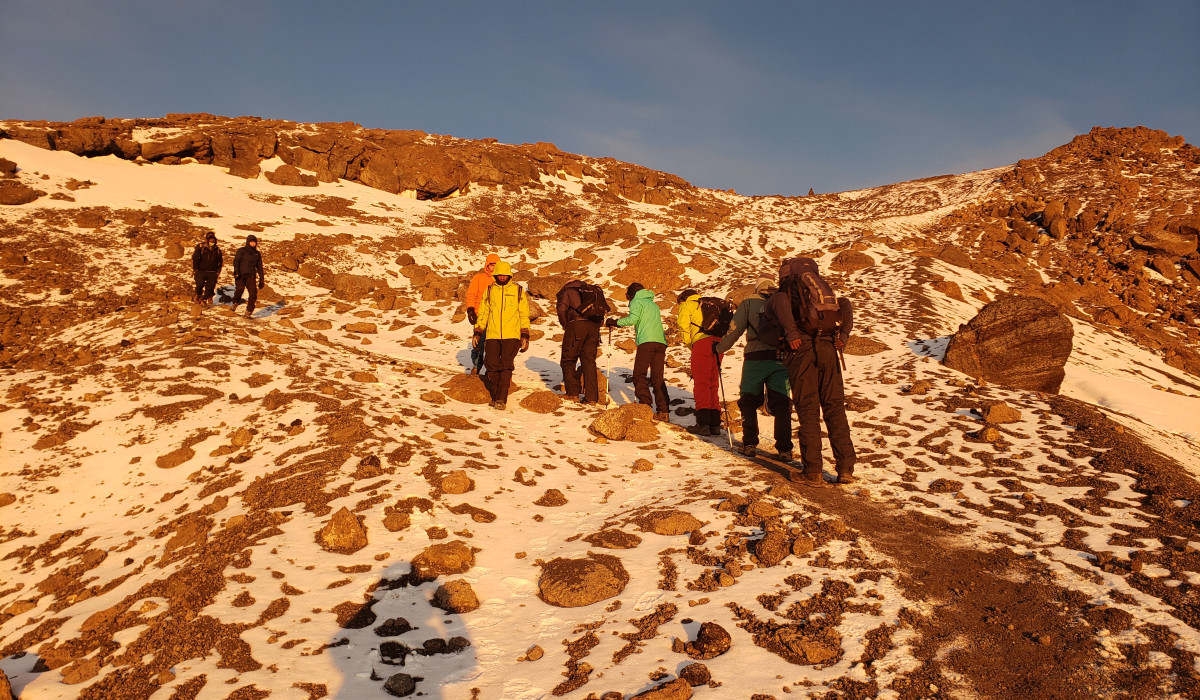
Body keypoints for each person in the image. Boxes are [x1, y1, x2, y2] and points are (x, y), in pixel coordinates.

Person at [764, 259, 856, 486]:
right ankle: (845, 469)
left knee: (808, 410)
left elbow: (777, 303)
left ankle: (813, 471)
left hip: (802, 352)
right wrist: (842, 337)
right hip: (829, 349)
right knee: (835, 408)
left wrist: (792, 333)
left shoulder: (784, 294)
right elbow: (845, 303)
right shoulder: (821, 291)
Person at [714, 279, 794, 462]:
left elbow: (735, 330)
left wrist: (719, 349)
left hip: (755, 359)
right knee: (781, 403)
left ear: (757, 288)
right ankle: (785, 449)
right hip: (779, 358)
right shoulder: (782, 302)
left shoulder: (749, 302)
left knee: (748, 401)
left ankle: (749, 444)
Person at [605, 283, 670, 421]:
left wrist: (615, 322)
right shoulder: (653, 304)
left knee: (639, 375)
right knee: (657, 378)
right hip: (660, 343)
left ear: (632, 293)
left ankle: (645, 405)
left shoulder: (637, 301)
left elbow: (633, 319)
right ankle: (663, 411)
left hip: (646, 342)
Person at [473, 261, 530, 410]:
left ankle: (500, 398)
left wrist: (525, 334)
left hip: (512, 335)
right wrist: (478, 331)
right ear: (496, 274)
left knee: (505, 365)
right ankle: (497, 393)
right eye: (500, 274)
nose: (503, 277)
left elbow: (524, 313)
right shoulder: (490, 290)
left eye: (505, 274)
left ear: (509, 274)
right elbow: (484, 312)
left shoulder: (518, 290)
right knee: (490, 365)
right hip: (492, 334)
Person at [676, 289, 722, 436]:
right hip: (719, 344)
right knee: (713, 382)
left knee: (701, 381)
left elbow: (683, 327)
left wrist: (691, 345)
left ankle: (703, 423)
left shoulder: (687, 305)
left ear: (684, 298)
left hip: (701, 344)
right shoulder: (710, 304)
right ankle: (715, 423)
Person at [557, 279, 610, 404]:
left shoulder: (568, 290)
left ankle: (572, 393)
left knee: (568, 359)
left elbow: (561, 309)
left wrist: (566, 325)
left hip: (576, 326)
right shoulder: (592, 292)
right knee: (589, 361)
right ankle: (592, 398)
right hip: (593, 328)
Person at [464, 253, 500, 375]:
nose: (493, 267)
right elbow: (471, 295)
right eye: (491, 265)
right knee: (478, 343)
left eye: (496, 265)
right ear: (487, 265)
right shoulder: (478, 278)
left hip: (496, 317)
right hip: (480, 315)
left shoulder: (501, 279)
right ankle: (476, 367)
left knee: (494, 346)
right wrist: (470, 310)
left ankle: (491, 370)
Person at [231, 234, 265, 318]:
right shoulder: (241, 250)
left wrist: (262, 279)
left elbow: (259, 266)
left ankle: (249, 311)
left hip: (251, 276)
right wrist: (236, 271)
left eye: (255, 242)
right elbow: (236, 261)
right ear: (248, 242)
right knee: (240, 289)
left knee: (253, 293)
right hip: (240, 274)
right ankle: (235, 302)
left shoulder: (257, 254)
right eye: (252, 242)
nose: (253, 244)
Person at [192, 231, 223, 306]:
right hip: (201, 270)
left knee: (209, 287)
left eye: (213, 239)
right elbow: (195, 257)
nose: (212, 241)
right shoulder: (201, 247)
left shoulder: (217, 250)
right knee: (199, 284)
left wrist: (218, 271)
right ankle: (198, 295)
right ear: (207, 239)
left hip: (212, 272)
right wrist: (195, 269)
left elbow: (220, 261)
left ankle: (204, 299)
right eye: (210, 239)